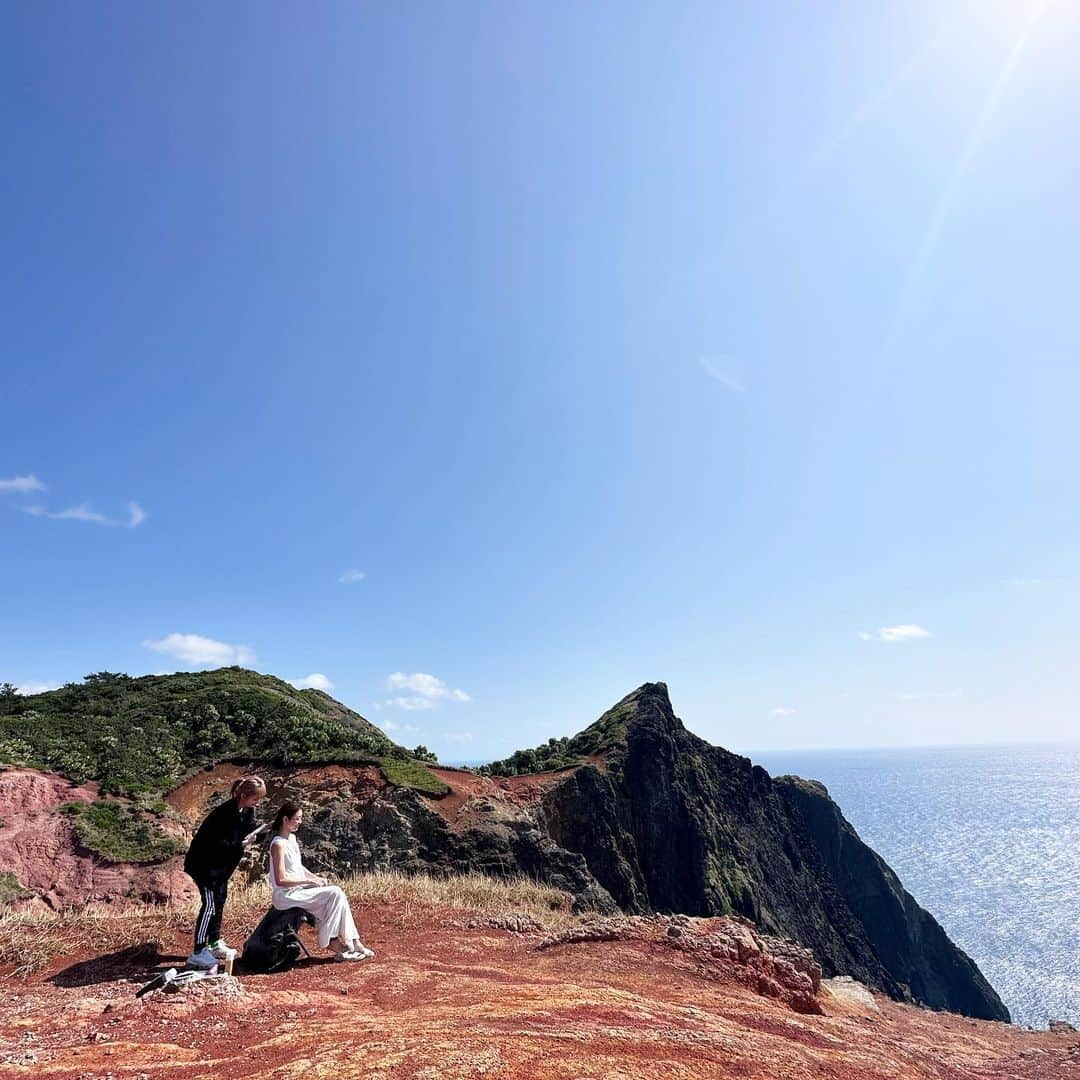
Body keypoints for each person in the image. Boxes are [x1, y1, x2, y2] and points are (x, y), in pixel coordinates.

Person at [268, 800, 374, 961]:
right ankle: (329, 941)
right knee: (335, 893)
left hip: (297, 891)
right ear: (285, 820)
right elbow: (281, 879)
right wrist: (307, 882)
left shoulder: (292, 839)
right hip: (285, 896)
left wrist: (315, 878)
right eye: (297, 818)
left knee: (338, 897)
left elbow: (298, 868)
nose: (300, 822)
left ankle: (353, 942)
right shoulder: (278, 844)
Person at [184, 775, 268, 969]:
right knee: (210, 905)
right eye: (256, 798)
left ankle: (213, 943)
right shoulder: (223, 814)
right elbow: (216, 845)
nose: (258, 802)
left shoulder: (247, 811)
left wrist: (261, 833)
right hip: (204, 867)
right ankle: (198, 951)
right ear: (244, 795)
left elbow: (251, 829)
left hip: (220, 869)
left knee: (220, 900)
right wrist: (240, 844)